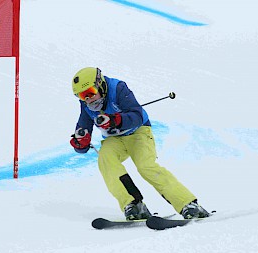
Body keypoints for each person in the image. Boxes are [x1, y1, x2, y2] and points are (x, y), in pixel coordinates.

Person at [70, 67, 209, 220]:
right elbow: (82, 133)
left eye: (90, 92)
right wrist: (80, 144)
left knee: (145, 166)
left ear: (100, 84)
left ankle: (188, 204)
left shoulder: (118, 89)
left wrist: (116, 120)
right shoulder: (86, 105)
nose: (88, 99)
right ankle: (134, 205)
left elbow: (136, 115)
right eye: (82, 96)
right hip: (114, 140)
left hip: (138, 132)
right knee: (105, 159)